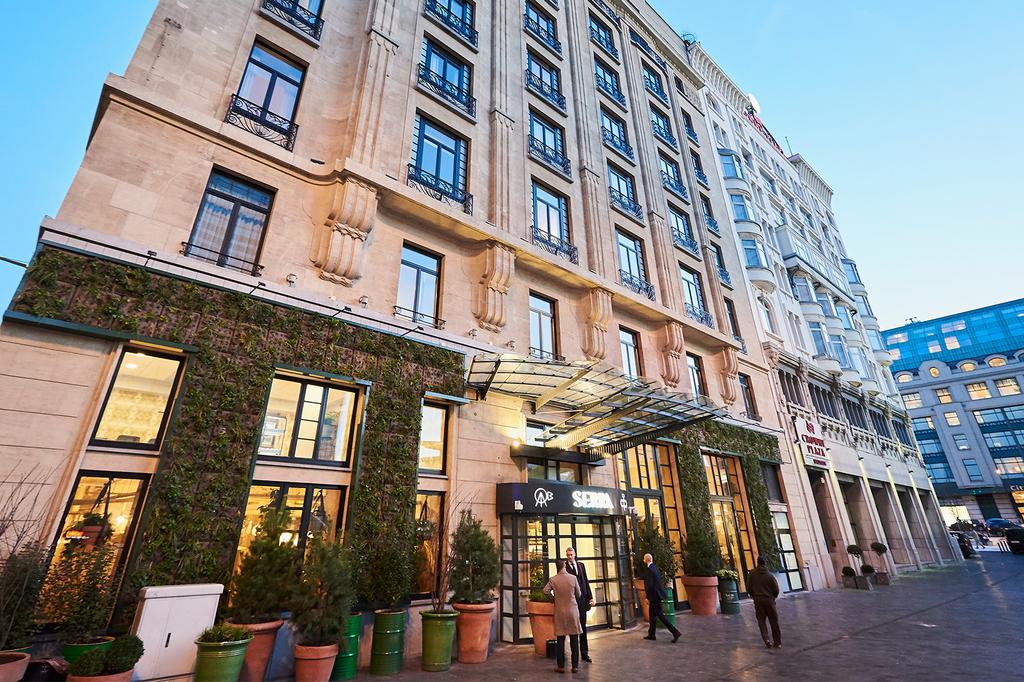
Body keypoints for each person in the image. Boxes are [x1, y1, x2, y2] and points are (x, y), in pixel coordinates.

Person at [543, 558, 583, 673]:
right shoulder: (573, 578)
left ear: (557, 567)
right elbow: (578, 594)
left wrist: (554, 599)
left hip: (560, 611)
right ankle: (575, 666)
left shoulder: (553, 579)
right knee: (574, 638)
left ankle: (560, 666)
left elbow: (545, 591)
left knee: (560, 639)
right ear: (564, 566)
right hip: (572, 611)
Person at [641, 553, 680, 643]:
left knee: (660, 616)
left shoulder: (649, 570)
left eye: (644, 559)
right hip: (657, 595)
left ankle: (675, 632)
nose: (643, 560)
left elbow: (649, 585)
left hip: (654, 596)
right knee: (652, 616)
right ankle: (651, 634)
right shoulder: (654, 567)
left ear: (646, 559)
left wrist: (648, 597)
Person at [564, 547, 594, 663]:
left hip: (582, 601)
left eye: (571, 554)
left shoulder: (581, 565)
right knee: (573, 629)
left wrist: (590, 597)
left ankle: (584, 653)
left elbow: (586, 581)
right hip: (572, 602)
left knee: (583, 627)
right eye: (568, 555)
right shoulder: (565, 568)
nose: (570, 557)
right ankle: (574, 655)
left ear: (575, 554)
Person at [746, 555, 781, 649]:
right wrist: (773, 597)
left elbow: (749, 587)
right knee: (774, 621)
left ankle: (766, 639)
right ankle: (777, 642)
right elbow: (776, 590)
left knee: (761, 620)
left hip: (758, 600)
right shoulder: (770, 575)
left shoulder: (752, 574)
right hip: (769, 600)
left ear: (757, 562)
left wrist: (753, 596)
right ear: (765, 563)